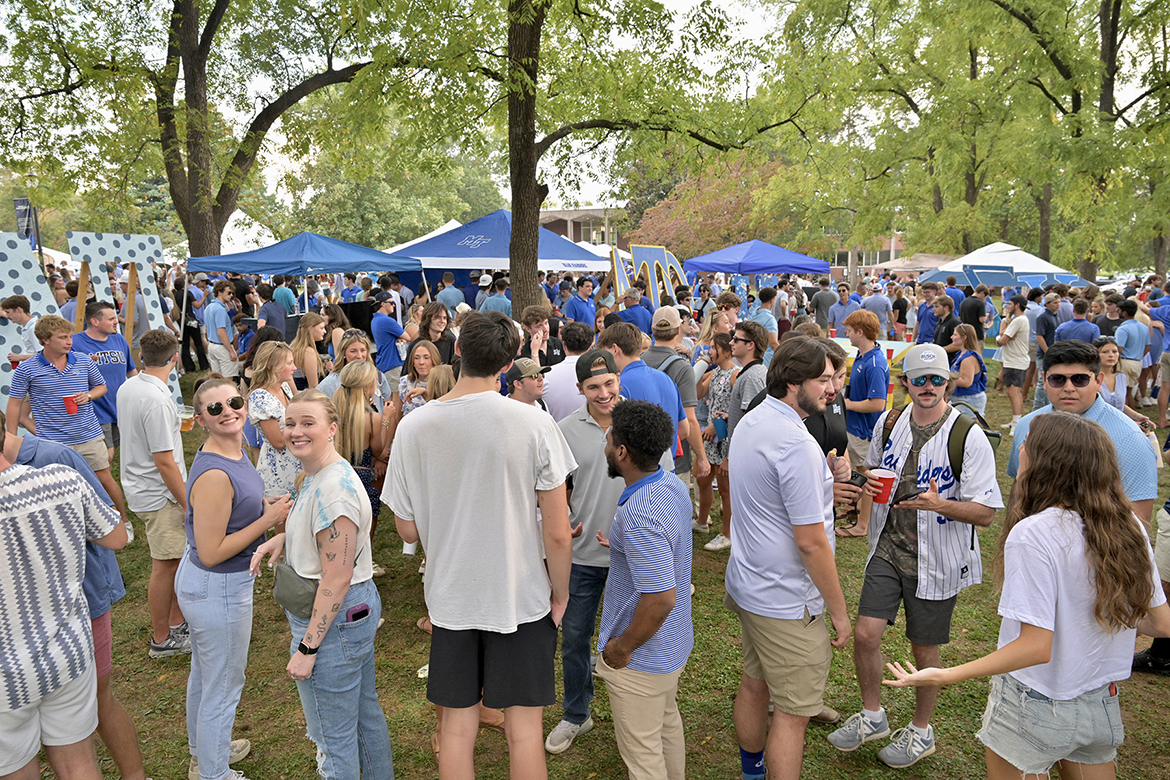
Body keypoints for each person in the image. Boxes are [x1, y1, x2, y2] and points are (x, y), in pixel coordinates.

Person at [885, 412, 1170, 779]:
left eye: (1028, 444)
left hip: (1033, 705)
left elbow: (1036, 648)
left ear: (1048, 462)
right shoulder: (1128, 525)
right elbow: (1159, 622)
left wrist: (946, 675)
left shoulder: (1034, 534)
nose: (1020, 449)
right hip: (1101, 701)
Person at [384, 311, 575, 780]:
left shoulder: (414, 426)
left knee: (456, 730)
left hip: (450, 596)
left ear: (458, 352)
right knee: (525, 731)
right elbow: (556, 528)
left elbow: (406, 531)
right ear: (509, 363)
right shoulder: (533, 423)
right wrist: (562, 593)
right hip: (522, 593)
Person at [828, 343, 1002, 767]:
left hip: (936, 559)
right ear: (904, 382)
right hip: (888, 548)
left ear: (949, 381)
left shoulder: (967, 435)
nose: (928, 387)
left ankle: (922, 731)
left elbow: (986, 513)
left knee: (923, 649)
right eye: (918, 379)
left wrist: (940, 504)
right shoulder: (890, 421)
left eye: (936, 380)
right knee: (867, 635)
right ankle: (873, 715)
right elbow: (874, 470)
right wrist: (865, 489)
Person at [725, 337, 851, 780]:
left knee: (755, 683)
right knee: (794, 716)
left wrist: (828, 480)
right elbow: (811, 542)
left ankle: (752, 771)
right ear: (793, 383)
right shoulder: (794, 442)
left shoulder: (755, 420)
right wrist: (839, 612)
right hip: (787, 601)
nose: (832, 388)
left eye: (835, 378)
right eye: (823, 380)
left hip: (751, 585)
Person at [249, 390, 393, 779]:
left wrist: (308, 647)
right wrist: (285, 538)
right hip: (349, 614)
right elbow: (320, 530)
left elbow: (338, 575)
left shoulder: (334, 488)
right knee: (363, 717)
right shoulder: (319, 472)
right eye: (291, 423)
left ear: (332, 429)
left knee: (333, 739)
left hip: (334, 622)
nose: (296, 432)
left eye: (307, 423)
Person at [546, 350, 678, 755]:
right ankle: (576, 713)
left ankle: (647, 709)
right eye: (593, 387)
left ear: (619, 379)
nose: (604, 393)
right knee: (574, 638)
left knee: (640, 636)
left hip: (634, 560)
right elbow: (558, 488)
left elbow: (665, 484)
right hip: (584, 555)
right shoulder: (564, 429)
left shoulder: (642, 423)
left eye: (609, 384)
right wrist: (561, 519)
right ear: (580, 389)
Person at [180, 375, 291, 780]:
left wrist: (262, 503)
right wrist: (269, 519)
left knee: (207, 674)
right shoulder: (214, 473)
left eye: (234, 401)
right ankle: (214, 772)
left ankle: (203, 752)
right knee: (223, 685)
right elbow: (211, 552)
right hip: (217, 585)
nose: (228, 411)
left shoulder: (234, 448)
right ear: (201, 419)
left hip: (213, 585)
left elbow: (234, 507)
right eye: (215, 408)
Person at [0, 431, 127, 780]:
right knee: (78, 763)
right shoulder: (60, 478)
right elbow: (117, 536)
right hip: (66, 650)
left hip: (7, 671)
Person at [595, 400, 694, 780]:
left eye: (609, 437)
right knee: (666, 725)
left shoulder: (637, 513)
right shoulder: (670, 484)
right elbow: (666, 548)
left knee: (643, 755)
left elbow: (660, 598)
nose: (605, 442)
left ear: (621, 452)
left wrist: (623, 647)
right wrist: (625, 549)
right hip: (672, 646)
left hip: (642, 657)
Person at [1009, 340, 1158, 524]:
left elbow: (1138, 520)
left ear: (1098, 381)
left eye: (1080, 379)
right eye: (1058, 379)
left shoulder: (1129, 439)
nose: (1069, 388)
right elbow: (1018, 491)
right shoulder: (1026, 426)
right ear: (1044, 381)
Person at [6, 314, 130, 529]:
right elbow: (14, 404)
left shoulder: (82, 360)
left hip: (88, 434)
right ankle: (71, 528)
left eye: (70, 336)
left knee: (103, 478)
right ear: (45, 339)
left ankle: (123, 522)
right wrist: (9, 439)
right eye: (63, 337)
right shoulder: (27, 369)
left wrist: (89, 395)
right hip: (53, 442)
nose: (69, 341)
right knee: (59, 487)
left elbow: (101, 387)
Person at [116, 330, 192, 658]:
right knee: (166, 564)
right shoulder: (158, 400)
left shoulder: (130, 385)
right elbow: (164, 460)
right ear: (174, 359)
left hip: (141, 485)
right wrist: (187, 501)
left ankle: (176, 624)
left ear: (141, 357)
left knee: (174, 561)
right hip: (160, 494)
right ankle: (162, 639)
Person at [643, 306, 711, 484]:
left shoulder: (638, 361)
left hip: (641, 451)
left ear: (652, 330)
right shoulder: (682, 368)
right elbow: (689, 420)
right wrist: (702, 457)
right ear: (677, 330)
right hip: (674, 453)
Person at [597, 322, 687, 452]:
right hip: (666, 466)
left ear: (615, 349)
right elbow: (684, 430)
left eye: (605, 353)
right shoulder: (666, 379)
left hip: (636, 469)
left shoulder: (619, 386)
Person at [840, 309, 889, 539]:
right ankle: (855, 507)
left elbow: (878, 404)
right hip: (856, 428)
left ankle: (863, 524)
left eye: (849, 331)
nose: (846, 334)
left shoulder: (875, 363)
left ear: (860, 332)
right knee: (856, 470)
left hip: (865, 431)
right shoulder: (863, 356)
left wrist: (847, 404)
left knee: (866, 474)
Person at [72, 301, 138, 463]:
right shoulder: (74, 343)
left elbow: (131, 370)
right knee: (104, 456)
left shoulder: (119, 340)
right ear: (95, 321)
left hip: (118, 407)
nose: (116, 321)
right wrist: (82, 364)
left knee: (112, 453)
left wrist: (139, 392)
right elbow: (64, 373)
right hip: (95, 409)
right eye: (111, 319)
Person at [694, 333, 736, 551]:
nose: (709, 351)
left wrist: (716, 425)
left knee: (725, 487)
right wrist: (701, 367)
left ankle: (726, 533)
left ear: (726, 350)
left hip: (723, 436)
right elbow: (697, 392)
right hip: (710, 434)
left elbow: (737, 409)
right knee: (701, 477)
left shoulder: (735, 374)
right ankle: (702, 521)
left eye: (713, 348)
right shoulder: (716, 372)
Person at [247, 342, 303, 500]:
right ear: (271, 365)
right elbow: (278, 442)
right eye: (289, 363)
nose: (294, 367)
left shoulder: (284, 387)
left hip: (296, 460)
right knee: (283, 516)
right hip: (279, 467)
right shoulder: (260, 397)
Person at [542, 322, 592, 421]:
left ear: (564, 345)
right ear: (590, 347)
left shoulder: (545, 376)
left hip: (555, 433)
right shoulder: (601, 377)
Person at [995, 295, 1031, 431]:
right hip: (1016, 360)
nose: (1008, 306)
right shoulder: (1020, 320)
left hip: (1015, 361)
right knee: (1016, 392)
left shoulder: (1018, 321)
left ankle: (1016, 424)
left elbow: (1001, 341)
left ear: (1017, 305)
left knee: (1013, 392)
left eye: (1010, 304)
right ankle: (1016, 420)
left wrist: (1002, 330)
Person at [1114, 298, 1148, 407]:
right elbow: (1148, 347)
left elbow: (1119, 348)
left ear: (1124, 312)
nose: (1117, 312)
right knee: (1129, 393)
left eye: (1118, 310)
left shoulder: (1123, 329)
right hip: (1137, 362)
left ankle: (1127, 419)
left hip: (1124, 362)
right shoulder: (1144, 327)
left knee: (1124, 394)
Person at [396, 339, 442, 418]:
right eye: (417, 358)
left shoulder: (442, 382)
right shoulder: (405, 382)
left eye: (426, 358)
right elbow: (397, 416)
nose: (421, 362)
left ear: (434, 360)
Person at [950, 323, 988, 417]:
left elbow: (966, 382)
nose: (951, 337)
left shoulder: (968, 359)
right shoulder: (961, 354)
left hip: (969, 399)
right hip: (961, 398)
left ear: (964, 338)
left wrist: (946, 376)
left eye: (955, 335)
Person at [205, 280, 240, 378]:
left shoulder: (208, 307)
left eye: (232, 293)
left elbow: (208, 328)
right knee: (228, 379)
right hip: (222, 346)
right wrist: (231, 351)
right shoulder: (220, 309)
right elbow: (221, 332)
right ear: (220, 292)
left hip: (212, 345)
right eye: (229, 293)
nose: (231, 295)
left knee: (217, 378)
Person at [371, 291, 407, 385]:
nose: (394, 305)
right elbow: (408, 337)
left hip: (383, 363)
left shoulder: (374, 320)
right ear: (383, 304)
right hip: (393, 364)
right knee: (396, 397)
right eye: (391, 302)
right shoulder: (387, 320)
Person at [177, 275, 211, 372]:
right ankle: (204, 365)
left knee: (185, 344)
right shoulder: (187, 293)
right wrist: (204, 297)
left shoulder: (176, 294)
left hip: (182, 321)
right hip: (191, 319)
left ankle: (189, 367)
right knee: (198, 342)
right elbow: (197, 305)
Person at [289, 312, 328, 391]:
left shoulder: (294, 347)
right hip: (307, 396)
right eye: (321, 328)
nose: (325, 331)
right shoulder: (308, 351)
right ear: (311, 329)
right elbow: (313, 386)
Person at [2, 293, 40, 364]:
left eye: (8, 312)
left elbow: (45, 355)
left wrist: (19, 357)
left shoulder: (33, 328)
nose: (7, 316)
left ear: (19, 310)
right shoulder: (28, 327)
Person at [746, 287, 781, 364]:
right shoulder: (770, 319)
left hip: (753, 355)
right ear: (772, 301)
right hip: (767, 359)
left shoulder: (754, 313)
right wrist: (782, 357)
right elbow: (773, 343)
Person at [1094, 336, 1127, 412]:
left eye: (1114, 351)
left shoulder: (1121, 376)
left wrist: (1137, 416)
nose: (1111, 355)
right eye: (1105, 352)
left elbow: (1119, 404)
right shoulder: (1090, 377)